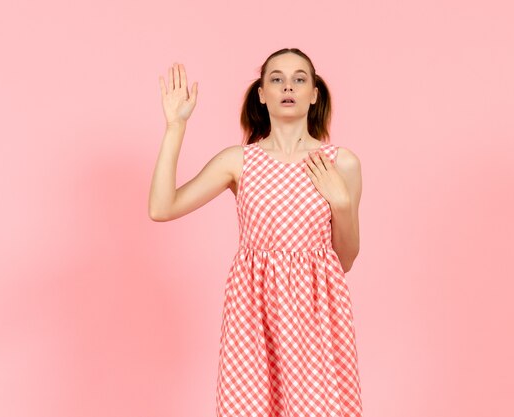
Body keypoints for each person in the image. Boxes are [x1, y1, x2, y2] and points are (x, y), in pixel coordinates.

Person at [149, 48, 363, 417]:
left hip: (316, 313)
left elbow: (344, 259)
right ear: (261, 94)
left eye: (300, 79)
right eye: (276, 79)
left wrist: (341, 205)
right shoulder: (240, 160)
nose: (288, 86)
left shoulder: (341, 163)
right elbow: (162, 207)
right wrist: (175, 128)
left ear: (314, 94)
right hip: (253, 311)